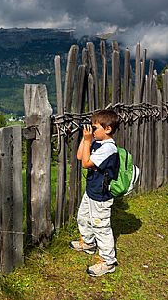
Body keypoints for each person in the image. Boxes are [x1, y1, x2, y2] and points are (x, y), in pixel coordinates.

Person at [69, 109, 120, 276]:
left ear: (108, 129)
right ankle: (89, 243)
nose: (92, 131)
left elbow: (85, 163)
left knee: (101, 227)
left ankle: (108, 261)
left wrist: (87, 140)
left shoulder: (109, 149)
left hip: (101, 195)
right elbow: (79, 156)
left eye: (95, 128)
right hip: (91, 191)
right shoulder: (97, 142)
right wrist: (86, 140)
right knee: (83, 217)